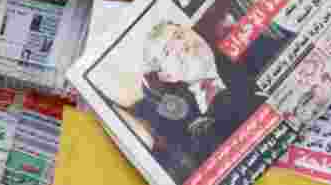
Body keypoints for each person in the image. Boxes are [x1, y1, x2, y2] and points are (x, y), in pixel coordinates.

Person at [94, 21, 262, 183]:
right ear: (168, 76)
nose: (184, 46)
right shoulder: (187, 132)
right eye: (168, 52)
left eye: (179, 35)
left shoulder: (250, 52)